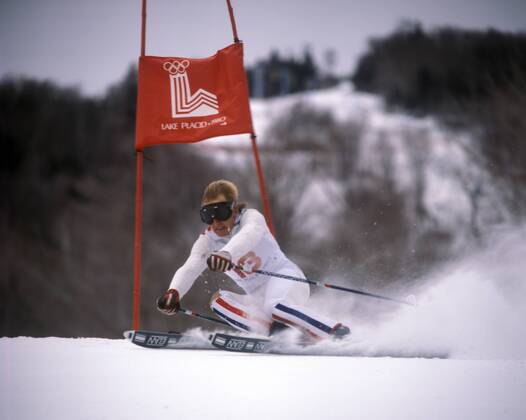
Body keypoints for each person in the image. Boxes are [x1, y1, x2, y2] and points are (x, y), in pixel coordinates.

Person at [157, 179, 350, 339]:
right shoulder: (207, 241)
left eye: (221, 212)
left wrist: (226, 253)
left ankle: (336, 333)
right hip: (257, 297)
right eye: (208, 215)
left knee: (275, 306)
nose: (216, 222)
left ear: (233, 208)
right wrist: (174, 292)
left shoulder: (251, 218)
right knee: (218, 300)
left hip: (287, 279)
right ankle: (278, 335)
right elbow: (190, 266)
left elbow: (248, 235)